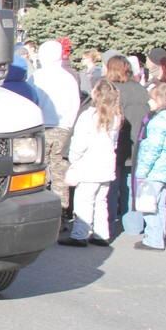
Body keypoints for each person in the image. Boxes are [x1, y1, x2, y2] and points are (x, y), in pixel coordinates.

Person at [59, 79, 121, 247]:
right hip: (107, 164)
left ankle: (80, 234)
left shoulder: (89, 116)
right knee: (101, 200)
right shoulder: (115, 117)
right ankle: (102, 233)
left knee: (83, 201)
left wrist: (73, 158)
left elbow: (79, 142)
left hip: (88, 165)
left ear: (96, 94)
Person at [31, 40, 81, 218]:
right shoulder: (68, 78)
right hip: (63, 129)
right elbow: (76, 104)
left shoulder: (37, 76)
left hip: (41, 128)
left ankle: (39, 210)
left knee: (37, 170)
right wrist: (70, 125)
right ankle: (61, 212)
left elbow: (31, 101)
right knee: (60, 172)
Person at [104, 55, 151, 229]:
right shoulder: (140, 89)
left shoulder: (112, 89)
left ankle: (106, 225)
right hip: (136, 143)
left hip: (117, 142)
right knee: (132, 186)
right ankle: (133, 225)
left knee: (111, 185)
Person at [133, 82, 166, 251]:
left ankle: (153, 239)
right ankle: (158, 237)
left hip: (155, 169)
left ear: (159, 101)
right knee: (160, 204)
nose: (149, 103)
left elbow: (152, 149)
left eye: (151, 99)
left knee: (149, 205)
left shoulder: (158, 122)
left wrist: (142, 171)